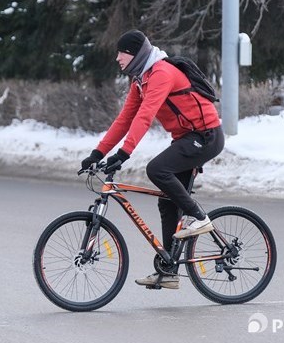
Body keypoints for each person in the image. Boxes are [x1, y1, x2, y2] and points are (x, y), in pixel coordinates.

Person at [80, 29, 225, 289]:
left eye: (121, 53)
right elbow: (125, 119)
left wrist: (124, 153)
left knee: (157, 169)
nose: (117, 58)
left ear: (135, 54)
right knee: (168, 203)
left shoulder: (160, 73)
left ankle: (200, 218)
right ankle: (169, 271)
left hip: (206, 136)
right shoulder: (141, 79)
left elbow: (145, 116)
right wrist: (97, 153)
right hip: (186, 138)